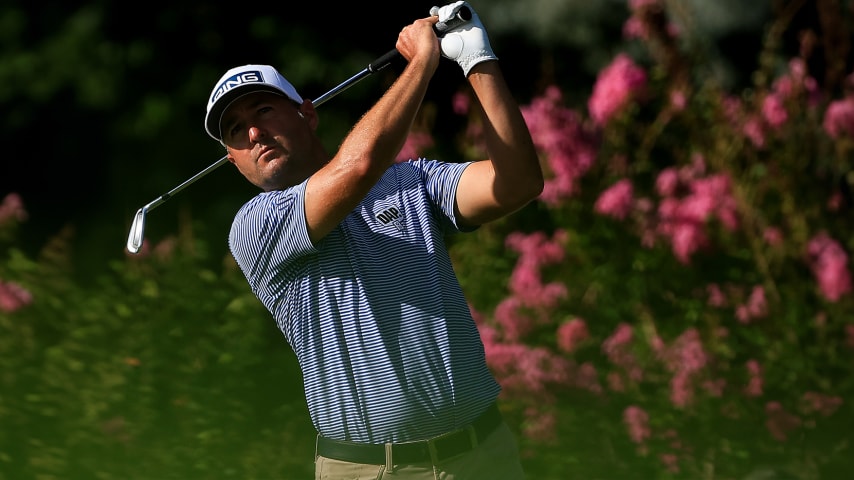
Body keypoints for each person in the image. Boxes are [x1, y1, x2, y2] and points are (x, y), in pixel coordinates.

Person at [203, 2, 542, 478]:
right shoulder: (255, 227)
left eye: (263, 109)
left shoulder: (411, 183)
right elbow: (357, 167)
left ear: (307, 115)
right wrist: (422, 63)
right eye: (236, 131)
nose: (254, 131)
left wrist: (477, 62)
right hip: (367, 470)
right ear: (233, 161)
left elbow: (518, 183)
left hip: (482, 455)